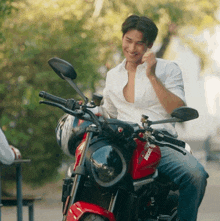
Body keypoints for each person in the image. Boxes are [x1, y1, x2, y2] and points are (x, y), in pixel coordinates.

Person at [102, 14, 209, 221]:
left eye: (139, 43)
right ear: (122, 38)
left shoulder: (168, 69)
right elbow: (108, 113)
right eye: (128, 40)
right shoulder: (113, 75)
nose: (132, 49)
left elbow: (176, 108)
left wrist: (151, 75)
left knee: (196, 175)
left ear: (149, 45)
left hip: (157, 143)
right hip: (123, 143)